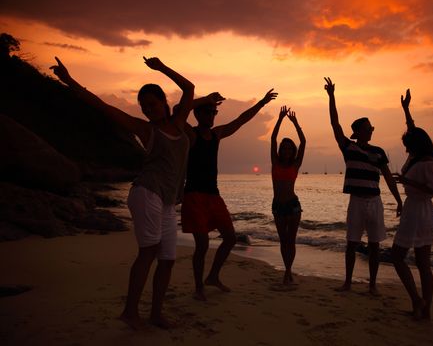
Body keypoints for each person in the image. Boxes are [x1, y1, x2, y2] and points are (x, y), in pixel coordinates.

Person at [50, 56, 194, 330]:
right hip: (147, 193)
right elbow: (102, 106)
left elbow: (189, 88)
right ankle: (130, 312)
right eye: (145, 106)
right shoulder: (144, 129)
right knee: (148, 253)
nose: (149, 109)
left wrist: (161, 67)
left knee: (167, 259)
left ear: (164, 101)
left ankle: (155, 314)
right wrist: (69, 81)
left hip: (165, 201)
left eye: (153, 103)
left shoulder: (178, 123)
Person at [182, 88, 278, 301]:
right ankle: (199, 287)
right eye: (207, 112)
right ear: (198, 114)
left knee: (230, 238)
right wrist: (204, 100)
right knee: (202, 245)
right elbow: (178, 111)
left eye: (214, 113)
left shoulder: (217, 134)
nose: (211, 116)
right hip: (194, 195)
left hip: (213, 195)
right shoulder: (191, 134)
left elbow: (240, 120)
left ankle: (213, 276)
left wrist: (261, 102)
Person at [323, 77, 402, 295]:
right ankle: (347, 282)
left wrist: (399, 201)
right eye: (368, 128)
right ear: (357, 133)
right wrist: (331, 97)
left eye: (372, 128)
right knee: (352, 243)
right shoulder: (348, 147)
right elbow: (334, 123)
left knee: (375, 244)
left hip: (374, 202)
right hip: (356, 201)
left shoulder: (379, 152)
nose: (371, 131)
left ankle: (373, 285)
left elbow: (387, 177)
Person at [391, 89, 433, 320]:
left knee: (398, 257)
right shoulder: (416, 155)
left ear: (416, 146)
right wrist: (406, 109)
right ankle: (423, 308)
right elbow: (413, 131)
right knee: (423, 263)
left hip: (418, 212)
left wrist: (406, 180)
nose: (405, 149)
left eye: (408, 145)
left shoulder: (427, 162)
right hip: (418, 212)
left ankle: (419, 301)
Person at [270, 106, 306, 285]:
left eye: (288, 149)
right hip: (278, 205)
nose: (285, 151)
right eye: (283, 149)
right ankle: (287, 269)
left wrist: (295, 123)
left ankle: (288, 271)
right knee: (283, 240)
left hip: (292, 205)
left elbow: (304, 142)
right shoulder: (275, 162)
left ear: (292, 151)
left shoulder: (295, 165)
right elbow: (273, 139)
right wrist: (279, 119)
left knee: (290, 240)